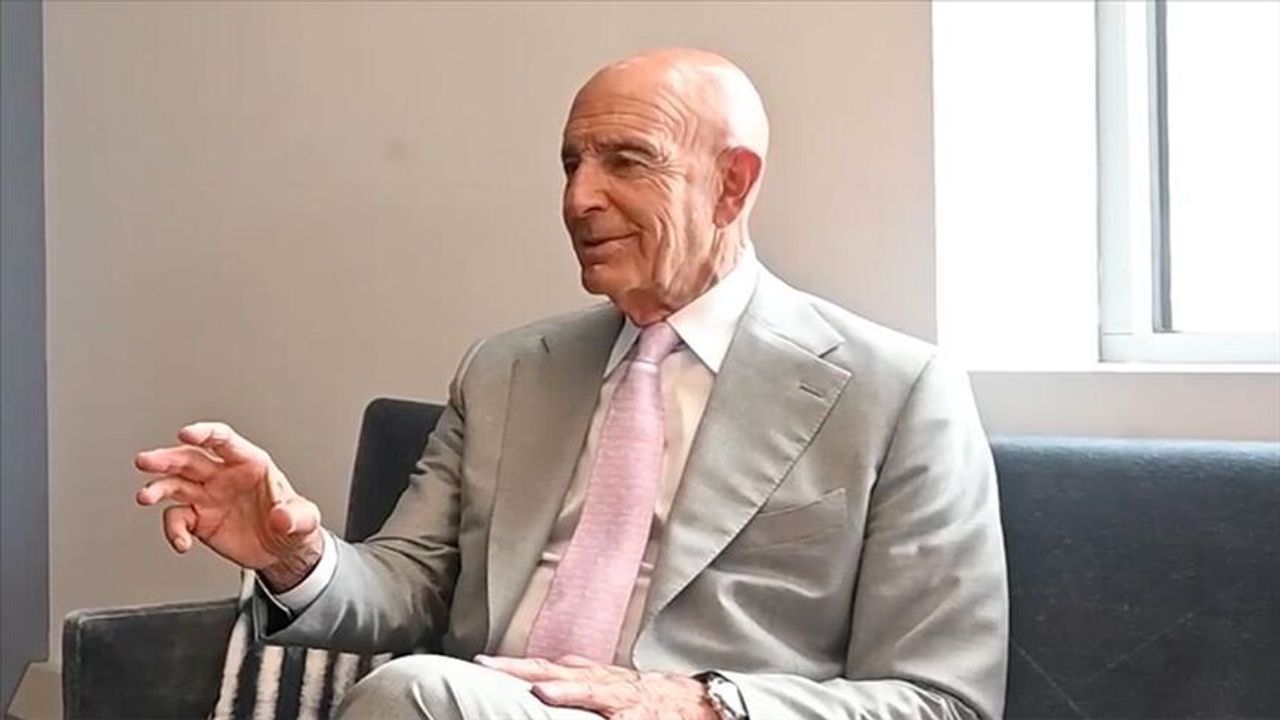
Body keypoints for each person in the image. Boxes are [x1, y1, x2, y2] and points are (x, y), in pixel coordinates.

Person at [135, 48, 1007, 720]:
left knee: (413, 696)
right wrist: (293, 556)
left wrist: (703, 703)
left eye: (627, 161)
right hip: (489, 704)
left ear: (732, 185)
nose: (580, 198)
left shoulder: (896, 391)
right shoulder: (508, 370)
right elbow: (407, 587)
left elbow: (942, 700)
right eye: (571, 164)